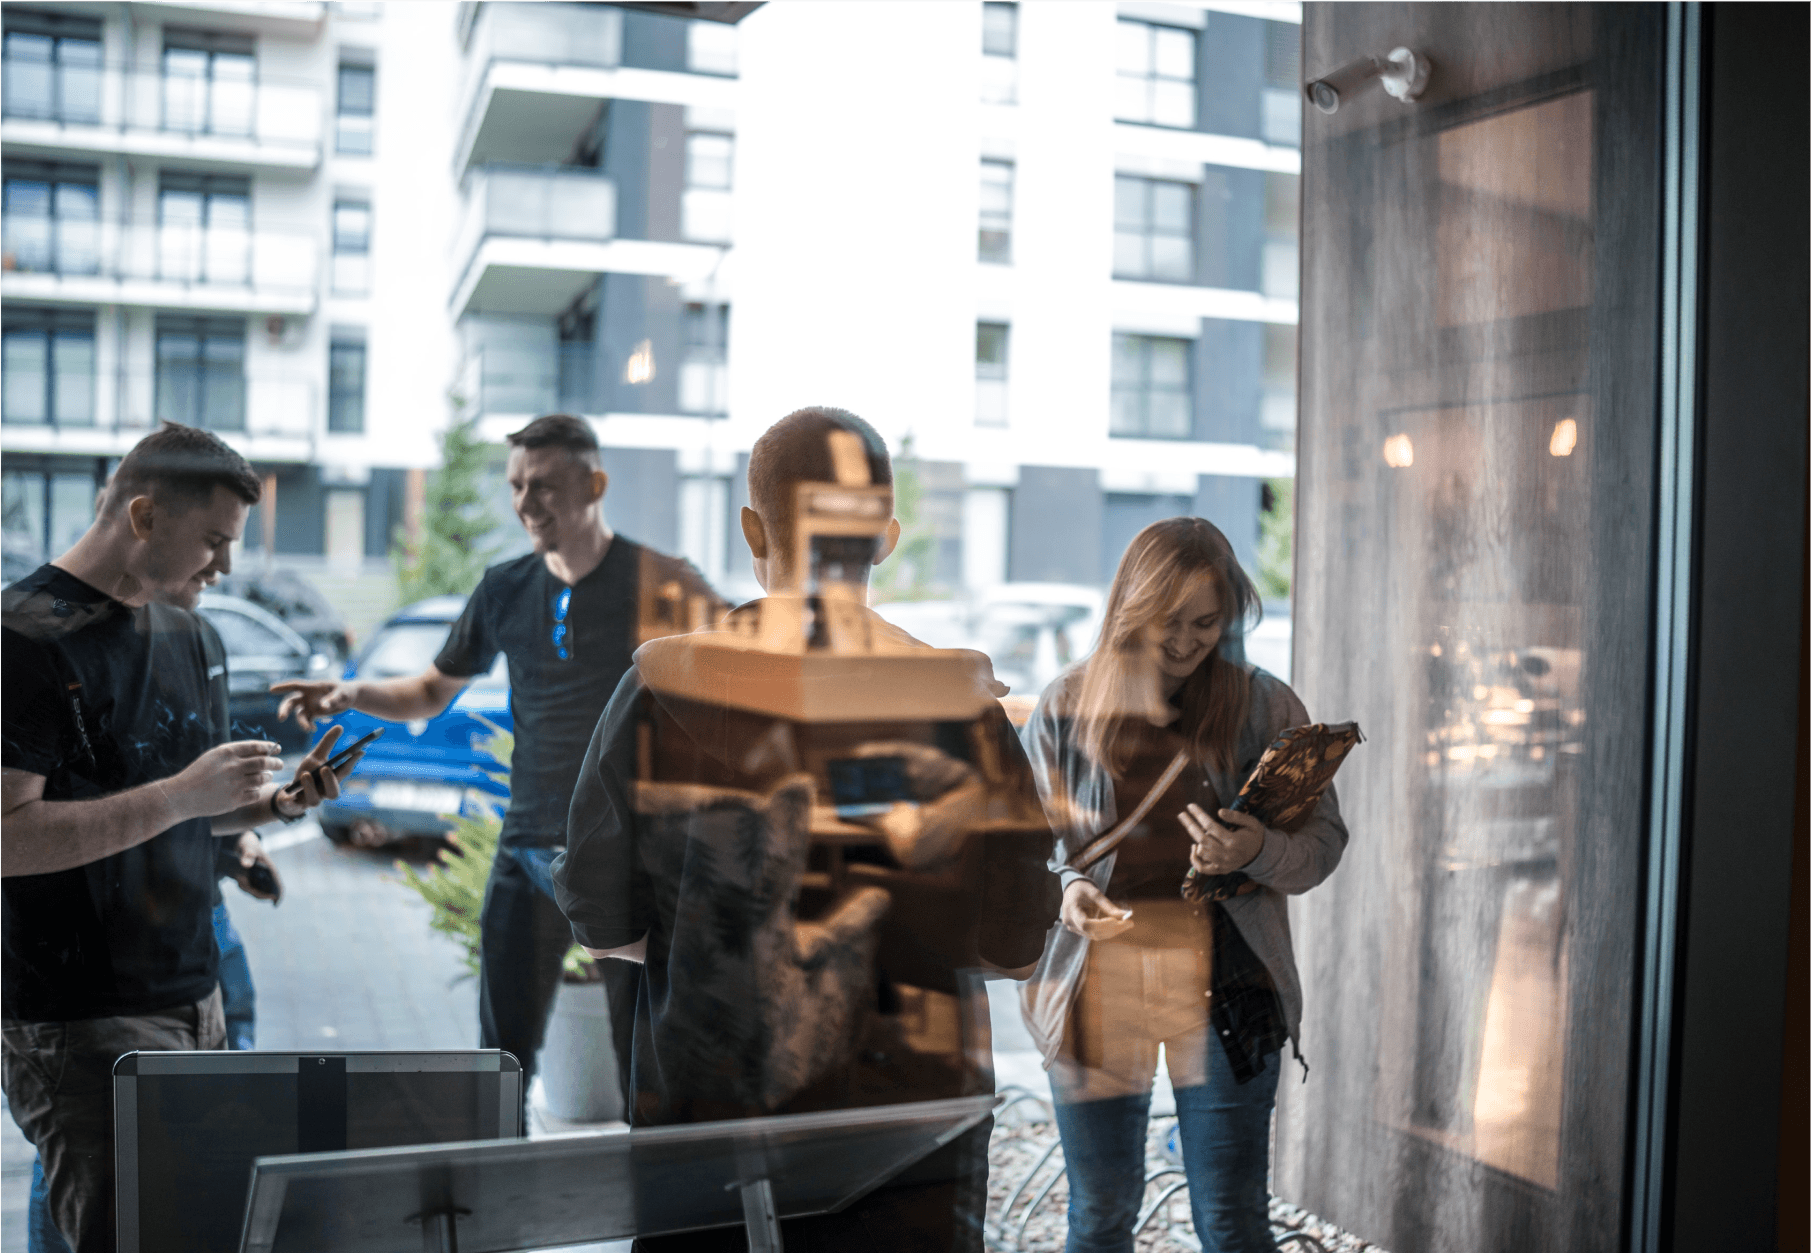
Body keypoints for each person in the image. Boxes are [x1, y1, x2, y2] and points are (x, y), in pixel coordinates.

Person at [555, 406, 1058, 1251]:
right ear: (886, 538)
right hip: (911, 1138)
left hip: (711, 1124)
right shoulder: (964, 713)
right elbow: (1013, 946)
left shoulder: (657, 691)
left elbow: (602, 921)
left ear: (751, 525)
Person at [273, 414, 724, 1118]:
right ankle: (493, 1200)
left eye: (542, 485)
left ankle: (653, 1197)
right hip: (526, 844)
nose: (525, 502)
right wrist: (351, 692)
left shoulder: (661, 581)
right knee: (499, 1057)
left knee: (645, 1060)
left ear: (594, 483)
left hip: (627, 854)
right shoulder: (504, 587)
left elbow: (734, 672)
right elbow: (430, 689)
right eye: (516, 485)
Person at [1, 423, 364, 1253]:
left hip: (194, 993)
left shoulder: (195, 633)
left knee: (158, 1223)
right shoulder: (20, 639)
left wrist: (273, 806)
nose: (225, 568)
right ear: (141, 514)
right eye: (212, 542)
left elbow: (194, 809)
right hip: (78, 1012)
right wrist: (177, 796)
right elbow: (6, 835)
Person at [1017, 516, 1348, 1253]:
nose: (1185, 641)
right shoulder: (1066, 704)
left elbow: (1323, 846)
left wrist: (1257, 848)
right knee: (1099, 1214)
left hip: (1228, 982)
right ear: (1128, 607)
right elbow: (1025, 848)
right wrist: (1068, 890)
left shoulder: (1264, 705)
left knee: (1231, 1219)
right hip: (1098, 984)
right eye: (1167, 620)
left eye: (1206, 622)